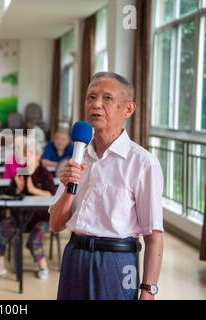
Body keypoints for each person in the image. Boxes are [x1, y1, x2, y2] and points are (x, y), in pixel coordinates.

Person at [48, 72, 164, 300]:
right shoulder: (78, 155)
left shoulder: (142, 163)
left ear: (128, 109)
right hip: (75, 257)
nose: (96, 105)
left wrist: (148, 291)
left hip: (117, 262)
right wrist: (69, 188)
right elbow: (55, 224)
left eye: (107, 98)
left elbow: (154, 235)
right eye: (91, 97)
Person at [0, 139, 56, 279]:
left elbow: (53, 194)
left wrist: (34, 190)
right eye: (25, 153)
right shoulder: (19, 173)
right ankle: (0, 265)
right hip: (20, 217)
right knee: (0, 228)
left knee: (34, 240)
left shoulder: (45, 174)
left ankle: (43, 267)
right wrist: (18, 189)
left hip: (40, 219)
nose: (27, 155)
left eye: (31, 153)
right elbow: (7, 194)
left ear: (38, 156)